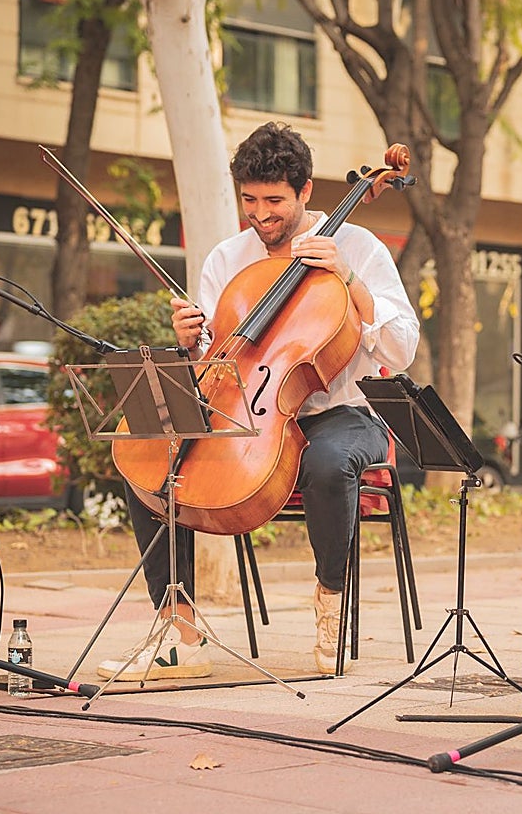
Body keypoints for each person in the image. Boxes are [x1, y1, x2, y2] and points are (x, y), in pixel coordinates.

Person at [97, 122, 420, 680]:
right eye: (250, 200)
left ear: (305, 193)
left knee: (326, 461)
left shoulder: (359, 248)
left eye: (274, 201)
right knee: (149, 454)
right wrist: (188, 339)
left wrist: (350, 283)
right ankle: (180, 633)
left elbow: (404, 347)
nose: (261, 214)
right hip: (249, 407)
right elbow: (215, 359)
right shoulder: (228, 258)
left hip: (344, 412)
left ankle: (329, 600)